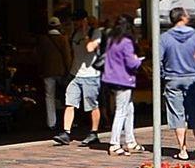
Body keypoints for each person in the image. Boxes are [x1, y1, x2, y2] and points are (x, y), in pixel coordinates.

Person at [157, 6, 195, 160]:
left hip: (172, 79)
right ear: (183, 18)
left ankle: (182, 150)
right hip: (193, 78)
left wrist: (163, 75)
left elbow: (158, 59)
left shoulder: (164, 38)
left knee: (177, 114)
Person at [52, 17, 105, 147]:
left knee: (92, 105)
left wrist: (86, 33)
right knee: (70, 102)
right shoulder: (75, 33)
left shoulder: (95, 32)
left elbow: (90, 48)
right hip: (75, 74)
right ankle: (66, 132)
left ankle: (94, 132)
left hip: (90, 75)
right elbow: (72, 52)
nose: (76, 23)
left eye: (79, 20)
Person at [100, 16, 145, 155]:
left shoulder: (111, 40)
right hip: (123, 79)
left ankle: (130, 141)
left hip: (111, 79)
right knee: (121, 111)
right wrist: (138, 60)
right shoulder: (126, 42)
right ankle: (114, 143)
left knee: (129, 109)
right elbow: (131, 63)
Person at [35, 17, 69, 132]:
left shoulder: (43, 40)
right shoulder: (63, 39)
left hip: (47, 71)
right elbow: (67, 56)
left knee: (49, 96)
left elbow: (39, 57)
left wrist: (40, 70)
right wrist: (69, 70)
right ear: (59, 26)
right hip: (61, 70)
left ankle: (51, 122)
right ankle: (68, 121)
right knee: (66, 96)